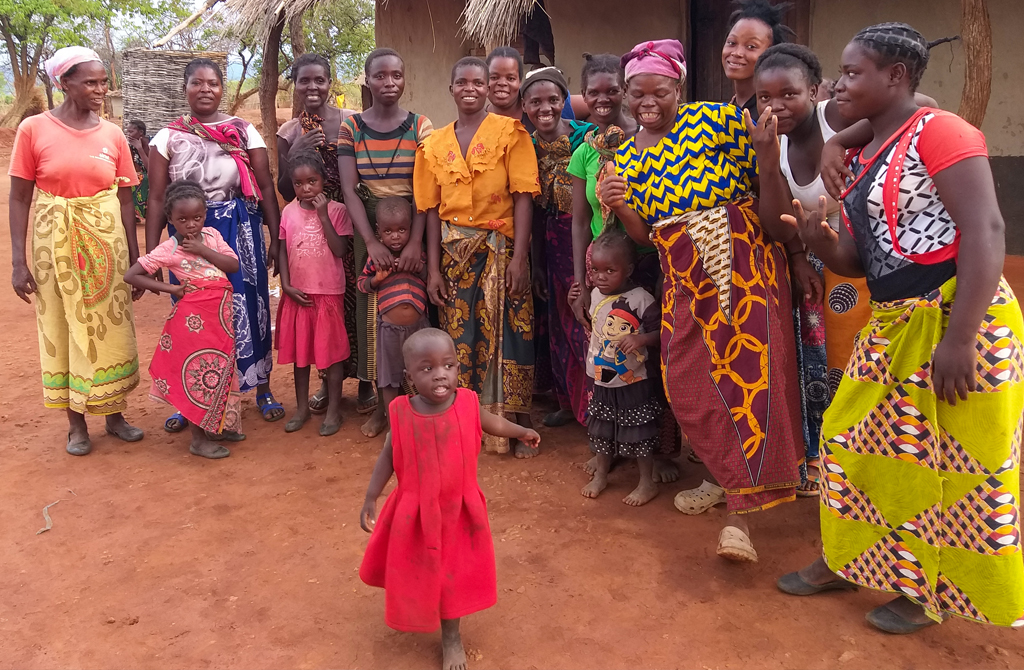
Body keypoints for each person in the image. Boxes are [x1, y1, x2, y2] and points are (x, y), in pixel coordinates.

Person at [777, 22, 1024, 634]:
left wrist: (960, 338)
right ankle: (854, 558)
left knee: (955, 464)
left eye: (853, 73)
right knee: (848, 438)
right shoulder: (861, 153)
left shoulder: (942, 133)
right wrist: (818, 243)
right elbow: (859, 262)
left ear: (897, 76)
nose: (839, 83)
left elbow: (986, 231)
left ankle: (929, 592)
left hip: (958, 318)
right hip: (892, 324)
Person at [600, 39, 803, 561]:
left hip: (743, 261)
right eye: (639, 93)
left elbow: (767, 184)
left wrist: (798, 257)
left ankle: (740, 518)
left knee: (746, 378)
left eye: (660, 91)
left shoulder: (716, 121)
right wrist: (621, 209)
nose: (649, 102)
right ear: (626, 93)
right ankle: (727, 478)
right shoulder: (623, 156)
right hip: (682, 273)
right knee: (686, 379)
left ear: (678, 88)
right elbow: (646, 238)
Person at [359, 328, 541, 670]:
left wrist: (521, 431)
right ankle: (423, 615)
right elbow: (388, 456)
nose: (440, 374)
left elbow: (492, 424)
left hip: (459, 511)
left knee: (452, 575)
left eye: (448, 365)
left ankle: (451, 637)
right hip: (415, 513)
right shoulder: (399, 413)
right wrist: (371, 496)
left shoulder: (469, 403)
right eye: (426, 368)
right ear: (408, 376)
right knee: (423, 570)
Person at [9, 46, 145, 456]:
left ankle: (115, 415)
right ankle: (76, 424)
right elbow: (19, 199)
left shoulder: (113, 134)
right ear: (63, 83)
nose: (100, 89)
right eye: (90, 82)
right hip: (55, 244)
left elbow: (126, 200)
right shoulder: (33, 129)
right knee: (63, 326)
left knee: (112, 327)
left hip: (107, 243)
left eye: (103, 81)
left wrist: (137, 257)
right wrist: (19, 260)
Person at [752, 43, 871, 496]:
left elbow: (923, 106)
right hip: (816, 263)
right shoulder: (771, 141)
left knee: (859, 361)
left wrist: (839, 141)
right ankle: (824, 460)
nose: (776, 106)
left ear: (815, 91)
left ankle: (863, 458)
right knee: (818, 367)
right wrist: (765, 160)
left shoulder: (835, 117)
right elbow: (776, 225)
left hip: (862, 260)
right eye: (765, 97)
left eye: (789, 94)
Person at [146, 58, 283, 428]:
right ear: (185, 88)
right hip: (186, 238)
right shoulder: (167, 137)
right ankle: (189, 400)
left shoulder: (242, 130)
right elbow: (156, 199)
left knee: (249, 309)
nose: (205, 89)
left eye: (213, 83)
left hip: (239, 231)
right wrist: (155, 253)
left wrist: (275, 237)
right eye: (197, 83)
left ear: (223, 89)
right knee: (193, 314)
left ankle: (262, 388)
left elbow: (266, 186)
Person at [415, 57, 541, 457]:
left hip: (501, 250)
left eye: (478, 82)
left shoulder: (511, 134)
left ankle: (518, 426)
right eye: (461, 82)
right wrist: (433, 269)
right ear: (450, 89)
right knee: (461, 338)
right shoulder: (432, 146)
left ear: (489, 89)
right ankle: (464, 423)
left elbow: (523, 199)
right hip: (454, 256)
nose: (470, 88)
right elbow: (431, 212)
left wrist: (520, 258)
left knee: (511, 334)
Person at [567, 52, 681, 483]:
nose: (603, 99)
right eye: (593, 92)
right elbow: (581, 219)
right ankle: (612, 446)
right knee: (609, 355)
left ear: (625, 92)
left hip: (652, 261)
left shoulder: (652, 139)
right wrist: (583, 282)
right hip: (605, 271)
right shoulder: (584, 152)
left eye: (613, 90)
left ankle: (658, 451)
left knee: (652, 355)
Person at [339, 48, 434, 438]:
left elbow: (426, 189)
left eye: (396, 75)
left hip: (414, 217)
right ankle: (382, 407)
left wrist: (414, 241)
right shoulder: (353, 127)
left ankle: (423, 400)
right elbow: (348, 188)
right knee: (373, 313)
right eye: (380, 76)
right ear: (368, 81)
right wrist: (371, 242)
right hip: (370, 223)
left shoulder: (420, 125)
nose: (389, 83)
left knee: (418, 305)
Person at [124, 180, 242, 459]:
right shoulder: (169, 249)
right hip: (193, 320)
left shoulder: (212, 236)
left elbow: (233, 265)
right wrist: (172, 289)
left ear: (205, 215)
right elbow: (132, 275)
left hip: (221, 317)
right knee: (199, 374)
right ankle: (198, 439)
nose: (191, 224)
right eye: (183, 219)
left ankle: (219, 425)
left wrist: (203, 251)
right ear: (170, 219)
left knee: (221, 368)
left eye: (197, 217)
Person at [276, 53, 359, 421]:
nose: (312, 87)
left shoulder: (348, 122)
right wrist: (295, 151)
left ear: (329, 82)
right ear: (295, 84)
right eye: (304, 81)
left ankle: (366, 382)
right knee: (323, 317)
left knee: (352, 307)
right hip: (308, 223)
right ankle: (326, 383)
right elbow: (283, 185)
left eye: (319, 80)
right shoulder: (288, 132)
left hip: (344, 218)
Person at [520, 66, 594, 428]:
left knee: (586, 319)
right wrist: (535, 264)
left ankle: (594, 409)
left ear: (564, 101)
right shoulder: (526, 147)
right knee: (559, 322)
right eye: (535, 102)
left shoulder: (588, 139)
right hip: (550, 242)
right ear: (525, 106)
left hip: (585, 238)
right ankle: (568, 400)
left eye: (552, 100)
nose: (544, 108)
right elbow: (532, 208)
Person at [568, 231, 661, 505]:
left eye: (610, 270)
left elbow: (662, 332)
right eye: (595, 270)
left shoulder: (641, 299)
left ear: (629, 269)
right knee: (601, 428)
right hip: (601, 378)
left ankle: (646, 482)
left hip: (634, 380)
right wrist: (573, 300)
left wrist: (641, 338)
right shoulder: (594, 294)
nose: (600, 277)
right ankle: (602, 475)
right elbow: (590, 322)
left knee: (640, 428)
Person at [276, 151, 353, 437]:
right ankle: (301, 408)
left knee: (331, 356)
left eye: (312, 181)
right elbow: (283, 249)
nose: (306, 188)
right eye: (299, 184)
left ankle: (334, 411)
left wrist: (323, 216)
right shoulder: (288, 212)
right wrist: (285, 284)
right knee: (300, 355)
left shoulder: (337, 210)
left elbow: (340, 250)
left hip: (328, 294)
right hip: (297, 294)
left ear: (324, 180)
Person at [356, 197, 428, 435]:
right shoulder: (377, 259)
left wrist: (420, 268)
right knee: (389, 378)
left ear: (411, 229)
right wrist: (377, 278)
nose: (395, 236)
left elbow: (430, 279)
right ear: (378, 232)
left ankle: (422, 419)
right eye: (388, 231)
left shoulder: (417, 254)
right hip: (388, 329)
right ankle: (392, 422)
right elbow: (362, 285)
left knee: (421, 372)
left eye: (401, 230)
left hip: (419, 328)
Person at [722, 0, 794, 118]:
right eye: (732, 43)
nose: (737, 53)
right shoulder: (729, 110)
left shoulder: (772, 115)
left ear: (771, 53)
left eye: (751, 46)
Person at [126, 119, 150, 224]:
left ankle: (145, 212)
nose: (128, 134)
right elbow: (130, 165)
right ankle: (133, 213)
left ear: (141, 132)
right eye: (127, 132)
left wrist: (140, 148)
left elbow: (150, 168)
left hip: (153, 175)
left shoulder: (151, 143)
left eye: (131, 132)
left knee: (142, 178)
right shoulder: (130, 145)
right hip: (141, 174)